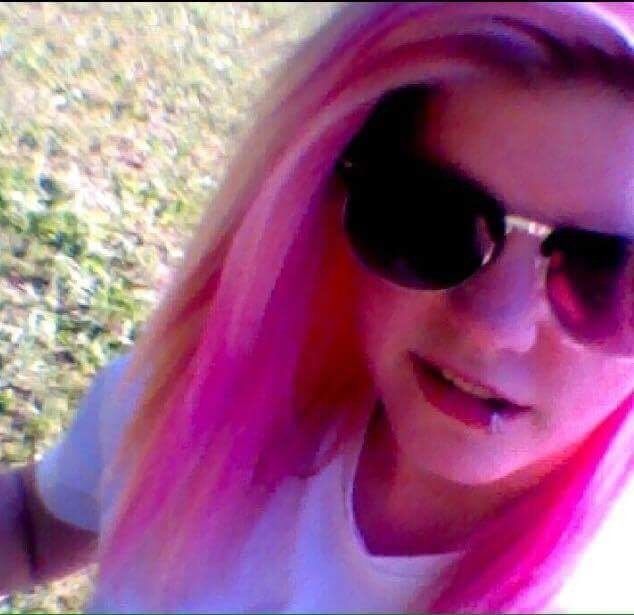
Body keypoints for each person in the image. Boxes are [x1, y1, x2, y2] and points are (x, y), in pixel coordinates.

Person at [1, 2, 633, 613]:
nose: (494, 327)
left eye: (608, 273)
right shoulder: (199, 404)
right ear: (323, 200)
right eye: (430, 221)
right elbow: (35, 526)